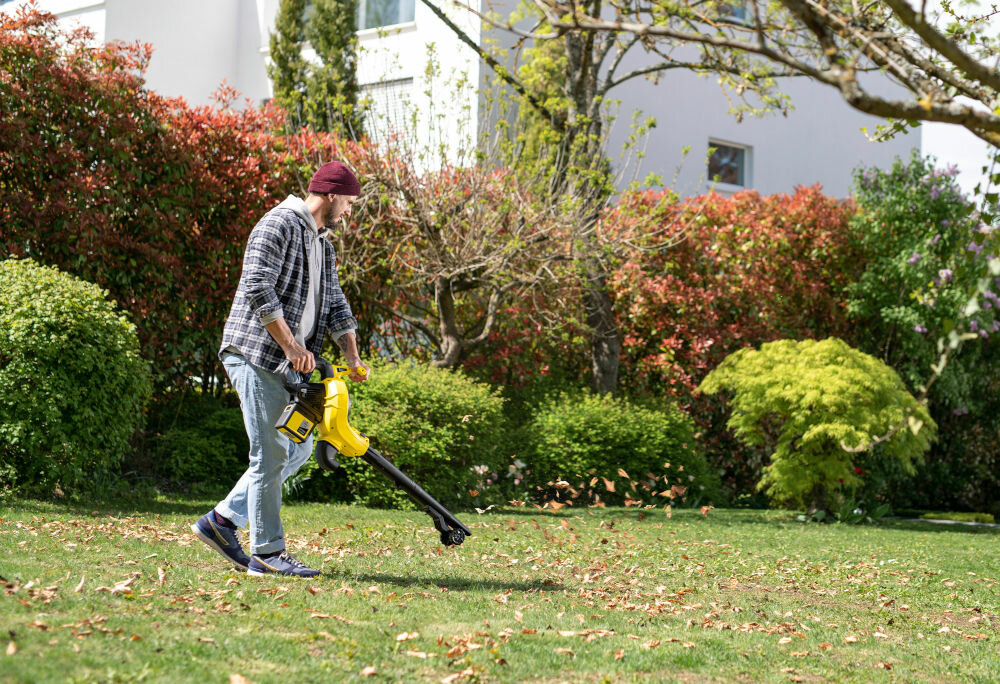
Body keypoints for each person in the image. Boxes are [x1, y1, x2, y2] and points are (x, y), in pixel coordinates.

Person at [191, 160, 370, 578]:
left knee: (299, 448)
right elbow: (257, 287)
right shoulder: (277, 224)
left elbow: (337, 304)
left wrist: (353, 356)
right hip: (255, 354)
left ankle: (220, 521)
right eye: (348, 201)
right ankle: (267, 555)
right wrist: (291, 346)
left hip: (289, 363)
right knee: (270, 451)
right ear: (330, 194)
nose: (349, 210)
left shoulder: (323, 244)